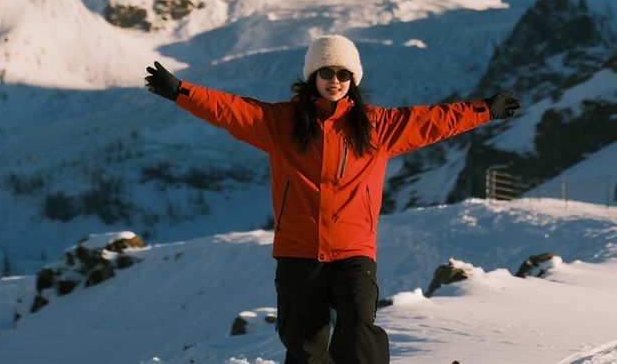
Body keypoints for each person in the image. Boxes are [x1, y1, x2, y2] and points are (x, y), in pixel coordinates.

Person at [144, 34, 520, 364]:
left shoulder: (377, 126)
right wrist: (180, 91)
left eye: (343, 73)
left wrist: (485, 109)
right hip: (299, 250)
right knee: (303, 345)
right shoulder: (281, 123)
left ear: (353, 79)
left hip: (353, 250)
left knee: (359, 330)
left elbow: (433, 119)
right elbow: (230, 110)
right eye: (326, 72)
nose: (335, 80)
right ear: (313, 76)